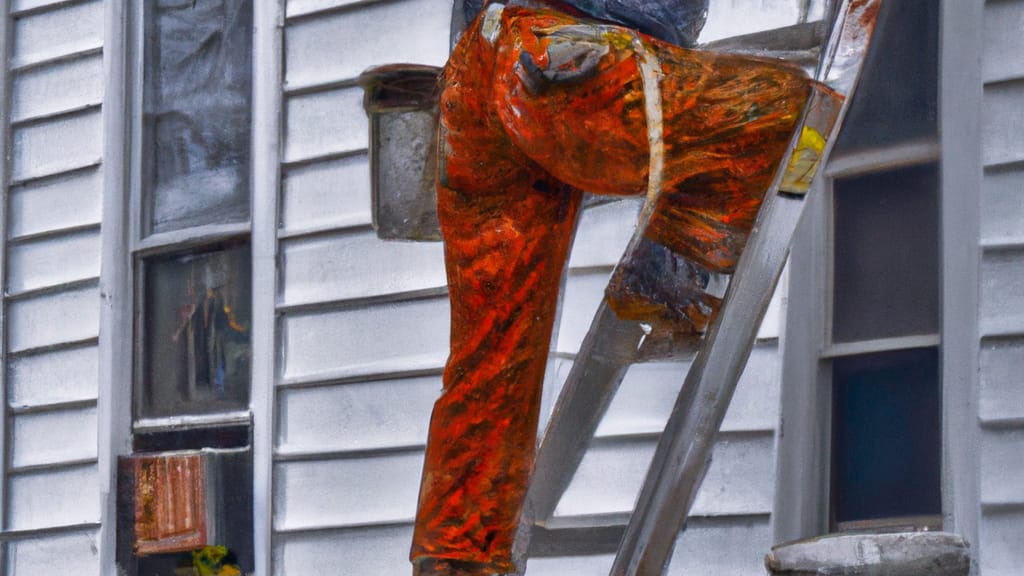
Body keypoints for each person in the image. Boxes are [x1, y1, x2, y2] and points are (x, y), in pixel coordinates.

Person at [411, 2, 819, 573]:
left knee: (493, 355)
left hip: (482, 64)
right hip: (573, 65)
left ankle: (457, 558)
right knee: (791, 108)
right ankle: (666, 276)